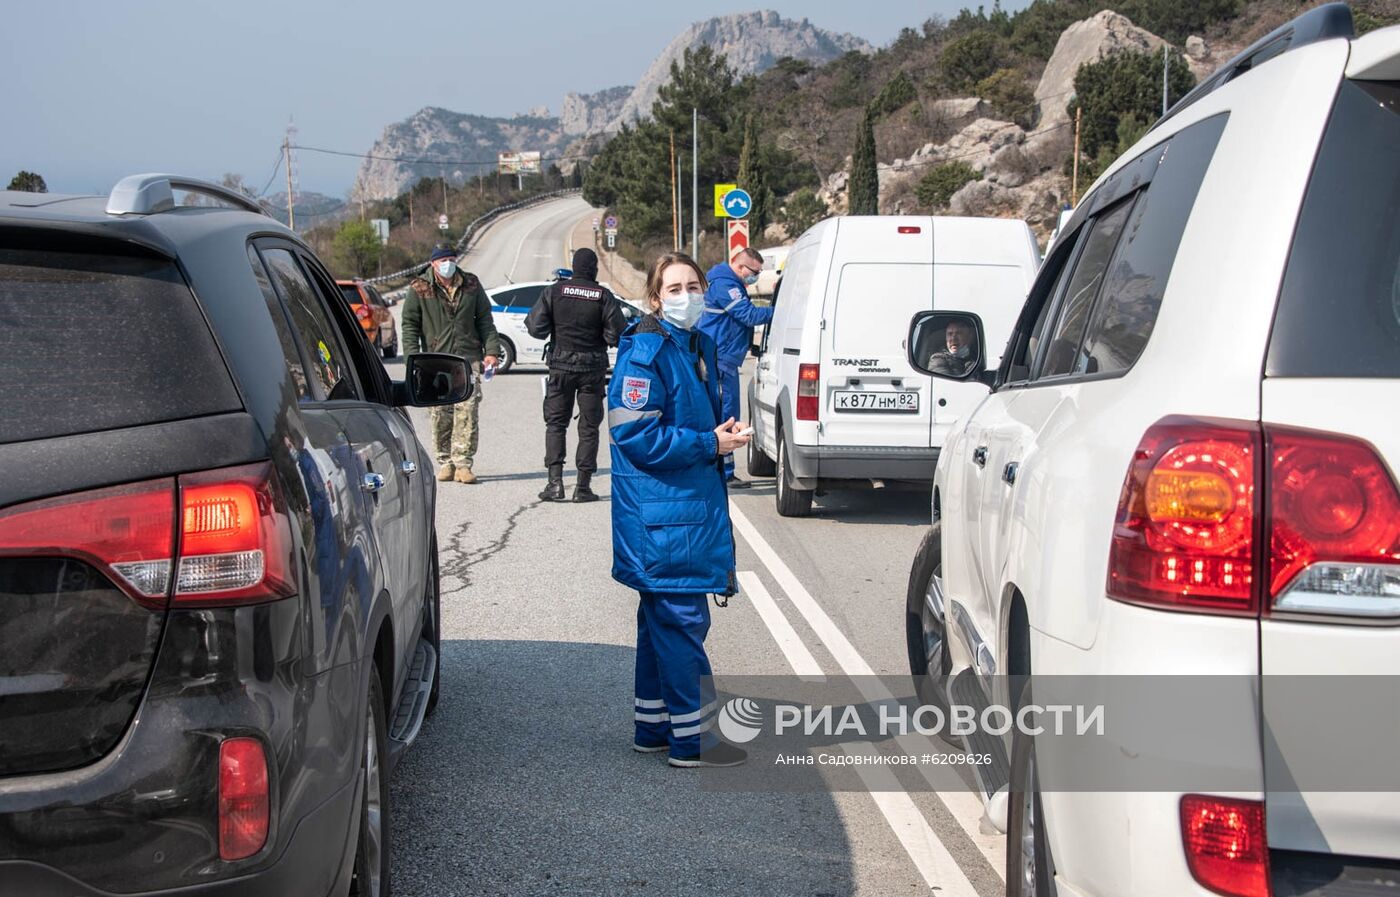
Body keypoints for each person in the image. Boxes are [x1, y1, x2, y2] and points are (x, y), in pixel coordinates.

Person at [608, 251, 752, 768]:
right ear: (654, 299)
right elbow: (633, 433)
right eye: (674, 289)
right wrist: (708, 444)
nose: (687, 295)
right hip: (665, 519)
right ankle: (695, 742)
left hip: (683, 509)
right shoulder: (645, 353)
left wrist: (721, 436)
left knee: (660, 623)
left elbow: (696, 416)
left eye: (693, 285)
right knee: (682, 622)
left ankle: (655, 728)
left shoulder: (700, 343)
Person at [526, 248, 626, 502]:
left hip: (560, 366)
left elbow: (536, 328)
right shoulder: (602, 296)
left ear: (573, 266)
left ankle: (555, 483)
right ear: (594, 269)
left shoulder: (554, 291)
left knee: (556, 424)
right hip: (592, 369)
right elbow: (617, 334)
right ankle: (582, 487)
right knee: (589, 428)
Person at [401, 245, 500, 484]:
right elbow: (409, 326)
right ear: (433, 263)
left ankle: (463, 463)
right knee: (440, 414)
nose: (448, 263)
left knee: (467, 411)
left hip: (468, 359)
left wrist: (492, 351)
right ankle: (445, 462)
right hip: (435, 360)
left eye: (451, 259)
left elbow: (485, 319)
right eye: (443, 260)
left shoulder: (471, 284)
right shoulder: (419, 288)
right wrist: (412, 360)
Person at [697, 246, 771, 488]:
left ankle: (722, 469)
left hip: (723, 356)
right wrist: (781, 311)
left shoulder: (730, 282)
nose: (756, 277)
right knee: (726, 414)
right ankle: (724, 471)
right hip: (720, 358)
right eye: (755, 272)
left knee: (726, 411)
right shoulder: (725, 285)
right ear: (741, 267)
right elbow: (748, 316)